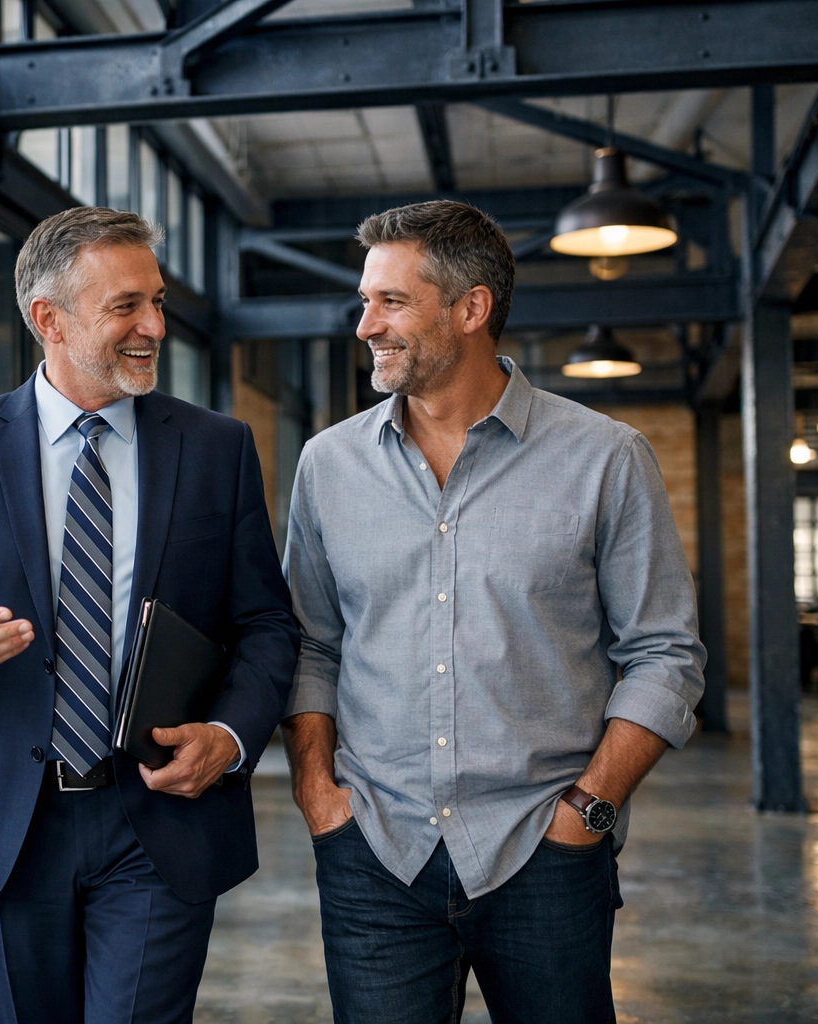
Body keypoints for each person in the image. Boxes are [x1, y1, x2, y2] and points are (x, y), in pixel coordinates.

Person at [0, 206, 299, 1024]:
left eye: (157, 302)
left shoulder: (217, 447)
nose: (153, 326)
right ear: (47, 318)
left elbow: (267, 624)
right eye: (126, 306)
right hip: (2, 825)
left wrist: (229, 738)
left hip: (160, 815)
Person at [282, 200, 705, 1024]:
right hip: (375, 851)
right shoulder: (326, 465)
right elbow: (310, 644)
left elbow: (664, 655)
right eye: (364, 302)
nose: (366, 325)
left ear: (471, 309)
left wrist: (589, 810)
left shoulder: (605, 458)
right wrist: (317, 795)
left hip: (546, 852)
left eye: (392, 302)